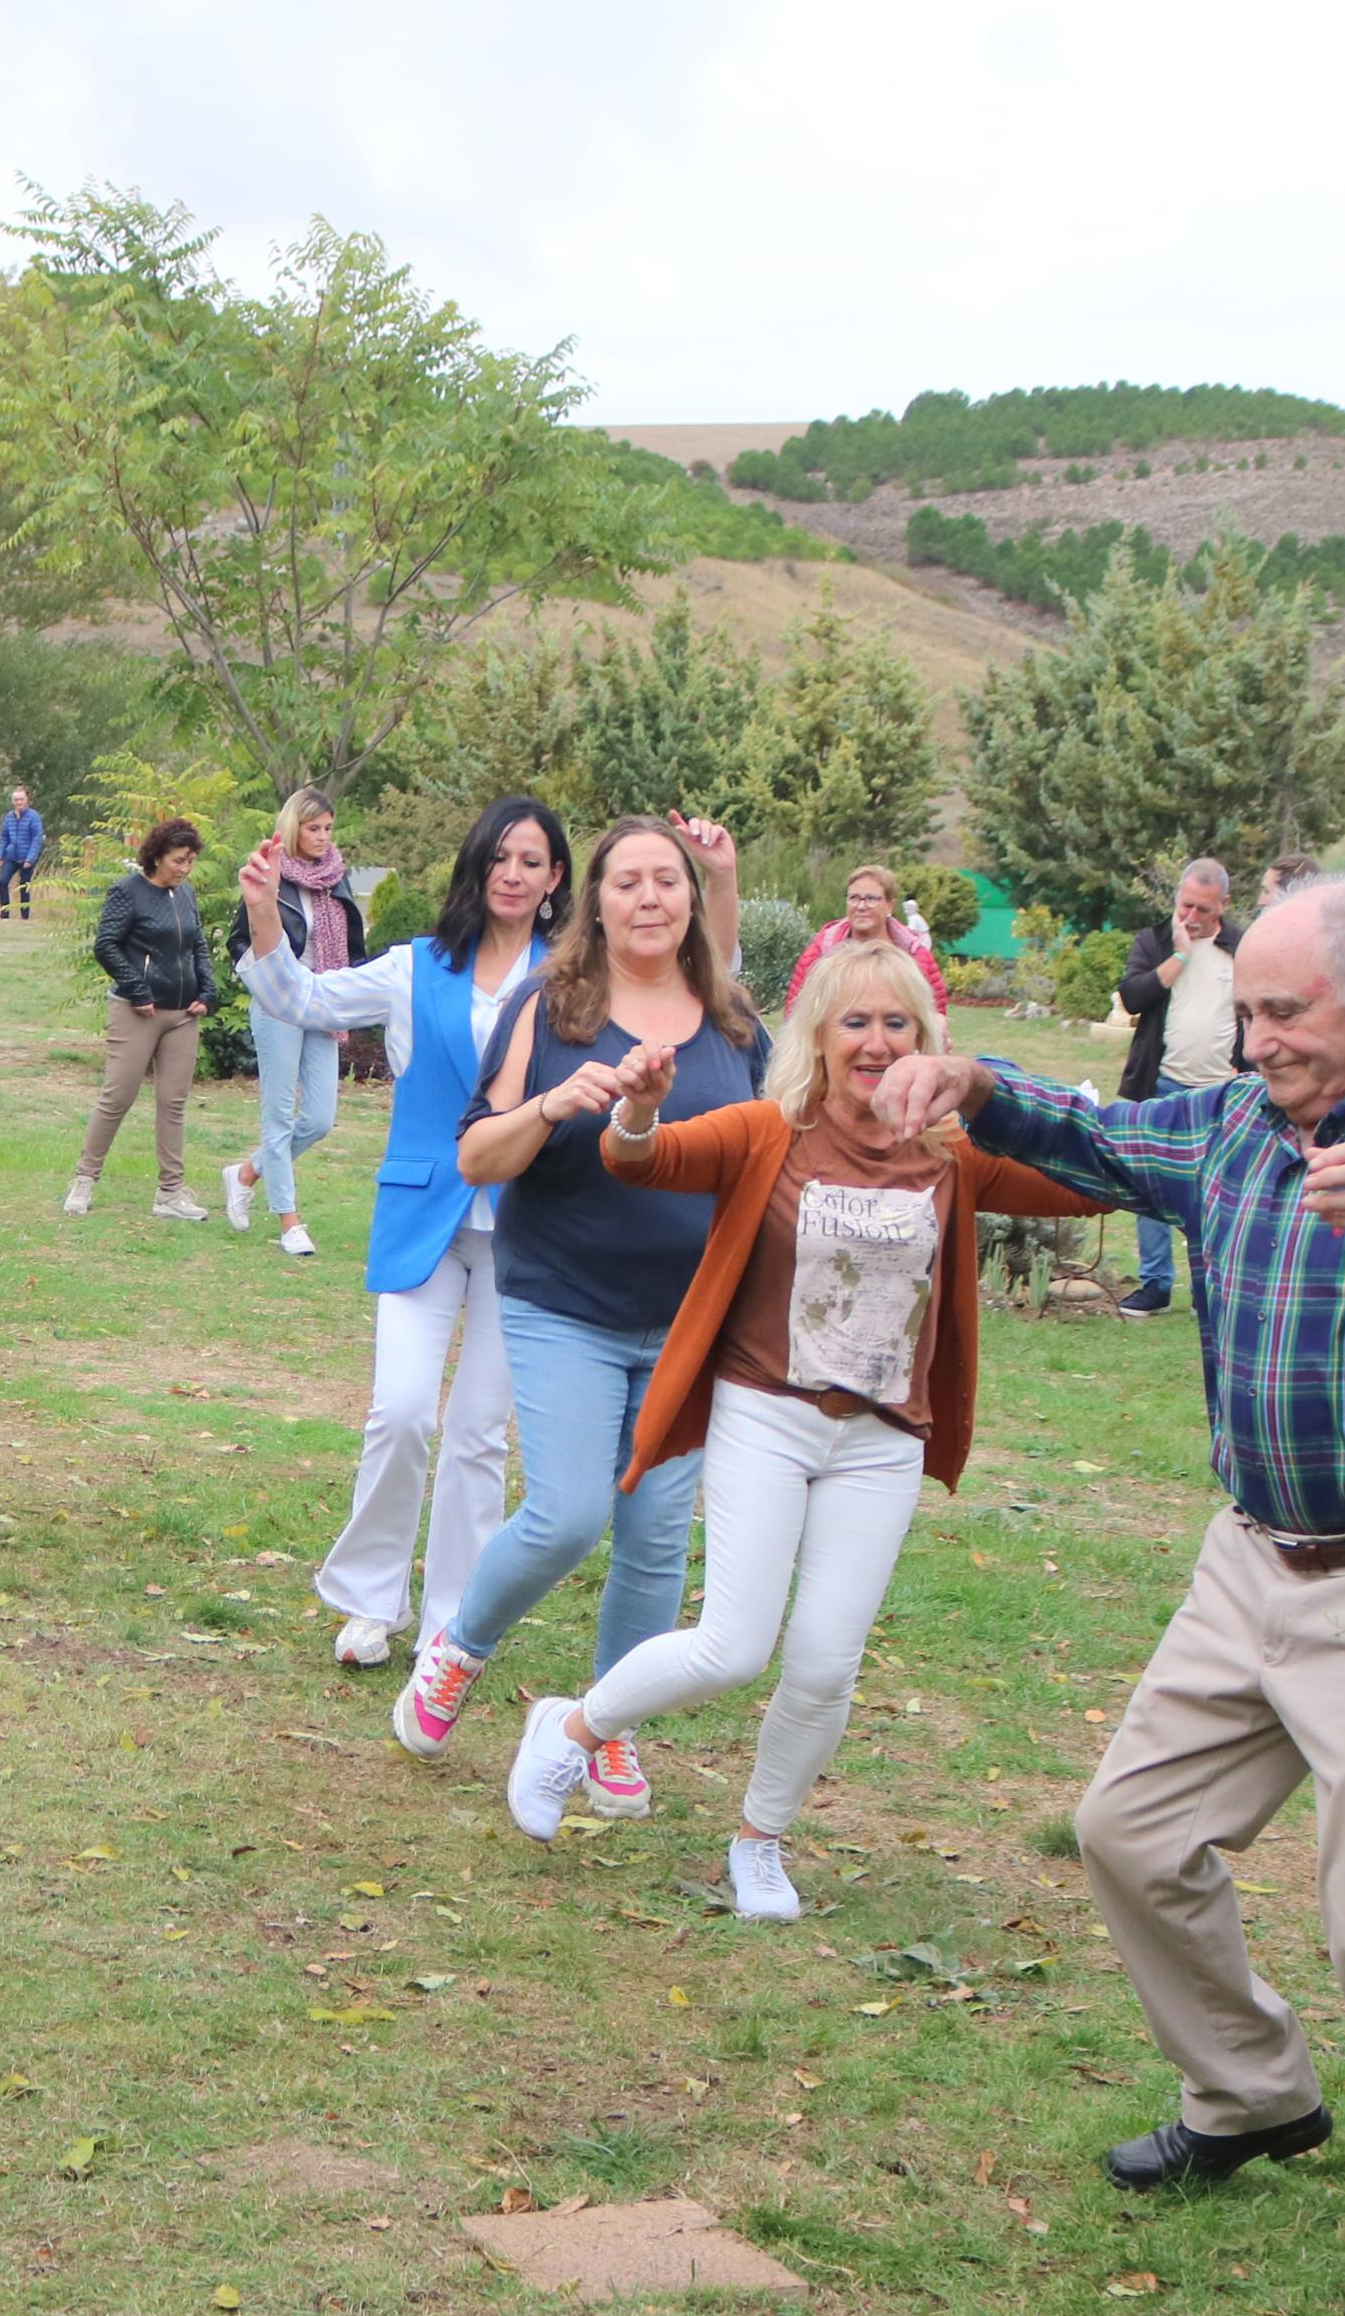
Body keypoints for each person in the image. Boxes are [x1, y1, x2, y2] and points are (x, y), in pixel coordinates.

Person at [867, 874, 1345, 2316]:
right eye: (1242, 1010)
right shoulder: (1233, 1126)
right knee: (1127, 1829)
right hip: (1244, 1561)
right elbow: (1095, 1133)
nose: (1253, 1043)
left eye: (1281, 1012)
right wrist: (975, 1079)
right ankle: (1246, 2090)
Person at [501, 939, 1098, 1917]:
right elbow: (638, 1159)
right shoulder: (766, 1131)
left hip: (881, 1437)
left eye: (895, 1022)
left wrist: (1021, 1101)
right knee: (732, 1646)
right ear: (817, 1037)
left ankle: (758, 1840)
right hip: (765, 1414)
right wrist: (640, 1110)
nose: (873, 1041)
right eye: (852, 1021)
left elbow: (1089, 1177)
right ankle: (571, 1730)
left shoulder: (951, 1150)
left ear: (924, 1037)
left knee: (823, 1661)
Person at [390, 813, 753, 1760]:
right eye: (625, 880)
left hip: (687, 1317)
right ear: (593, 899)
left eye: (665, 881)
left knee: (655, 1537)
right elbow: (475, 1152)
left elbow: (763, 1159)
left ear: (689, 898)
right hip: (564, 1302)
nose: (647, 897)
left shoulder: (733, 1024)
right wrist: (554, 1102)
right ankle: (457, 1648)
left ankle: (605, 1725)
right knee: (568, 1515)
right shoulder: (551, 1008)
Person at [235, 798, 565, 1666]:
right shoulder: (415, 966)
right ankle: (369, 1600)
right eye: (498, 856)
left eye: (531, 860)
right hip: (425, 1215)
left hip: (526, 1231)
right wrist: (266, 908)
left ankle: (452, 1625)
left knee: (478, 1434)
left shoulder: (573, 976)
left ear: (555, 879)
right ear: (475, 866)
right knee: (403, 1412)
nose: (512, 872)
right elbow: (297, 997)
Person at [215, 787, 374, 1255]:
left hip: (322, 1001)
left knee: (321, 1118)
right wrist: (265, 984)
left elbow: (353, 942)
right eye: (313, 828)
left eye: (328, 828)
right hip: (278, 1002)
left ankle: (245, 1174)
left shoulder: (335, 877)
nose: (323, 837)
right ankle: (289, 1221)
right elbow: (239, 940)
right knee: (279, 1116)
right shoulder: (272, 874)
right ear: (294, 827)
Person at [1110, 857, 1244, 1322]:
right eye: (1186, 904)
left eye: (1204, 909)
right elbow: (1133, 995)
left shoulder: (1241, 948)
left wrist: (1245, 1067)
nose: (1192, 916)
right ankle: (1155, 1284)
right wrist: (1181, 956)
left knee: (1218, 1193)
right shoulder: (1155, 940)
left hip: (1221, 1091)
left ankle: (1212, 1287)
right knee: (1150, 1184)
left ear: (1223, 905)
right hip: (1161, 1083)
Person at [66, 818, 218, 1219]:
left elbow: (198, 945)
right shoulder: (128, 891)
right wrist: (137, 989)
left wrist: (208, 991)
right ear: (156, 856)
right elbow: (107, 945)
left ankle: (170, 1194)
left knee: (174, 1103)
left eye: (191, 861)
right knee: (118, 1096)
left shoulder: (185, 895)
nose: (185, 869)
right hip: (137, 1011)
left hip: (183, 1014)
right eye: (178, 860)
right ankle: (84, 1179)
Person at [782, 863, 950, 1017]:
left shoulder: (916, 957)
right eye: (854, 898)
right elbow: (795, 1013)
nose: (861, 906)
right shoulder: (820, 952)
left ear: (889, 905)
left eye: (871, 899)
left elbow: (936, 1019)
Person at [0, 785, 46, 920]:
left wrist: (30, 859)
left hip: (26, 857)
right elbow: (4, 837)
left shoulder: (33, 817)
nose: (19, 802)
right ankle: (4, 914)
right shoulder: (9, 817)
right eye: (16, 800)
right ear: (13, 802)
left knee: (24, 886)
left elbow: (37, 839)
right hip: (11, 856)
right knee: (2, 881)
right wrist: (0, 855)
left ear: (26, 800)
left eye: (21, 799)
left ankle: (24, 916)